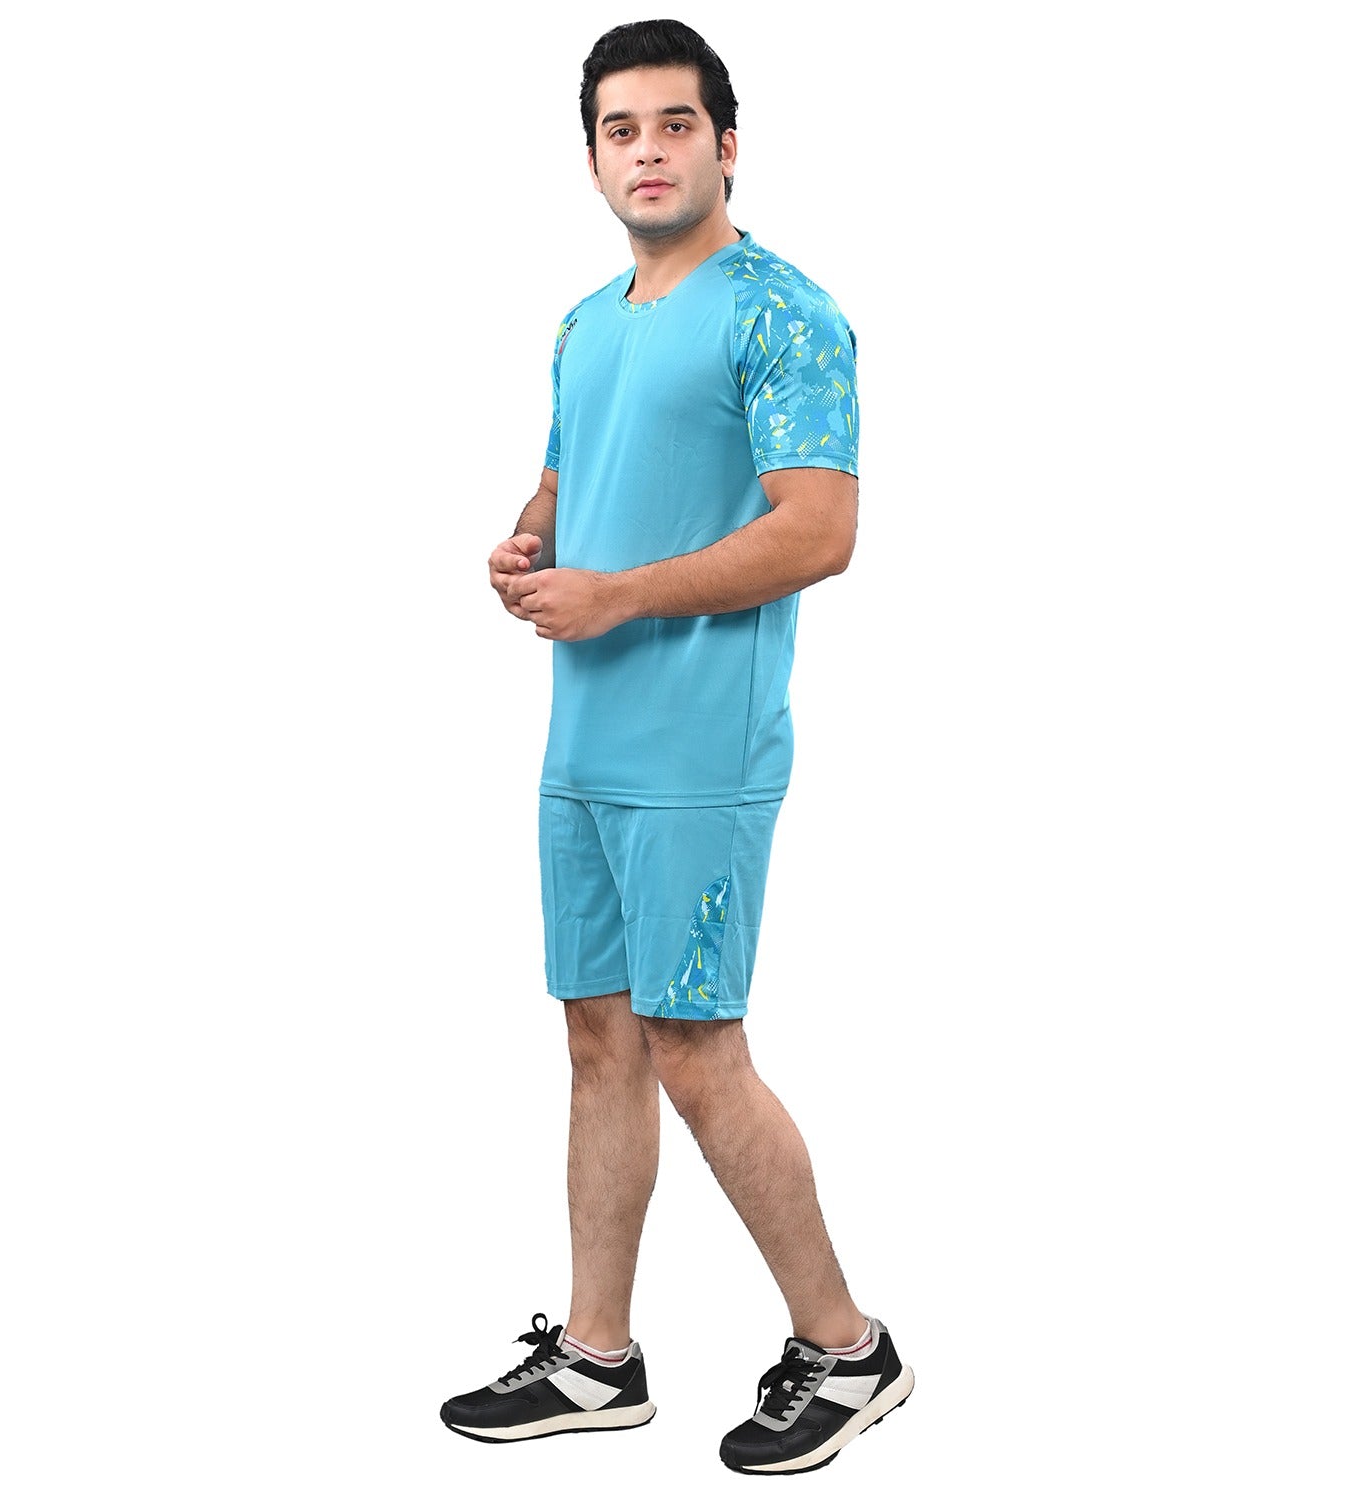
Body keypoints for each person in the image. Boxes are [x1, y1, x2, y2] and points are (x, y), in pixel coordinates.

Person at [439, 18, 913, 1476]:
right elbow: (570, 477)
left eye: (675, 124)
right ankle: (598, 1360)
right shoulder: (586, 322)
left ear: (727, 144)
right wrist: (527, 543)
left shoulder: (787, 313)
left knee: (697, 1049)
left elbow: (820, 530)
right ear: (592, 158)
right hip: (582, 741)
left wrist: (619, 594)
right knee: (598, 1042)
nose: (647, 151)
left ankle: (848, 1350)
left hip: (698, 748)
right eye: (620, 130)